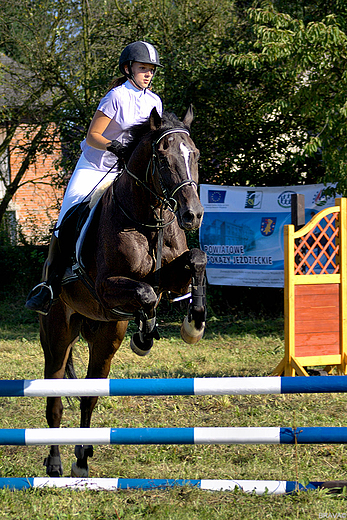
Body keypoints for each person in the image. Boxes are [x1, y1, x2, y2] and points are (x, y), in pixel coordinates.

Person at [25, 41, 163, 315]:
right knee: (68, 216)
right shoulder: (116, 97)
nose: (148, 74)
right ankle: (49, 285)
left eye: (151, 70)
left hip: (127, 171)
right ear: (128, 69)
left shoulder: (154, 101)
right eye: (143, 68)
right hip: (95, 166)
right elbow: (93, 136)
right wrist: (115, 146)